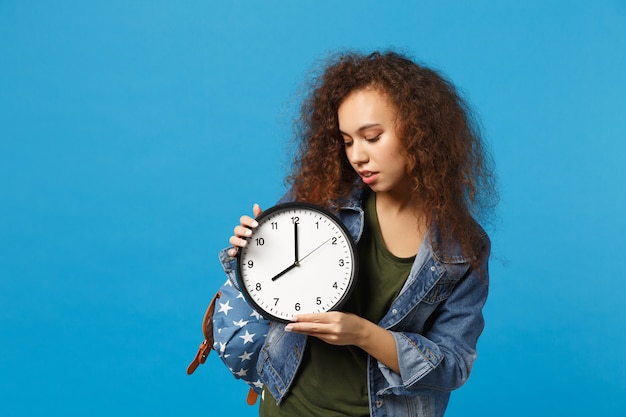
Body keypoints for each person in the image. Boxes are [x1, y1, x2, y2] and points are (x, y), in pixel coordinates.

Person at [221, 50, 497, 417]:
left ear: (420, 133)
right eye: (348, 141)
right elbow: (271, 292)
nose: (358, 156)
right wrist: (251, 250)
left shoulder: (462, 247)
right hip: (288, 405)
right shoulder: (321, 198)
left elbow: (453, 364)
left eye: (372, 137)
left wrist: (363, 334)